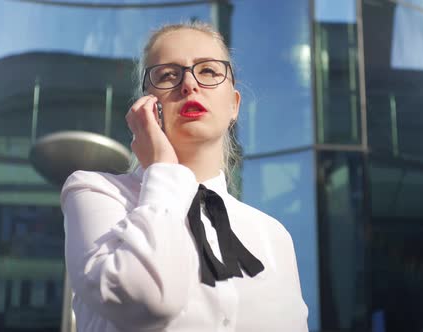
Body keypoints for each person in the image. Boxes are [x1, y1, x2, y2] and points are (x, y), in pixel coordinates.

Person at [61, 21, 309, 332]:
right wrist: (162, 168)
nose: (189, 84)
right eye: (168, 75)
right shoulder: (96, 193)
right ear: (148, 106)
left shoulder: (273, 235)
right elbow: (146, 300)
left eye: (208, 71)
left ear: (234, 105)